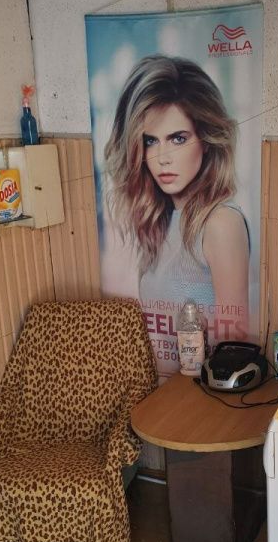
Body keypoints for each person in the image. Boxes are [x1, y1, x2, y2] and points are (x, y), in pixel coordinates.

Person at [104, 55, 250, 342]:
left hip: (201, 374)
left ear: (206, 140)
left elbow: (234, 343)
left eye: (178, 138)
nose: (163, 158)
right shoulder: (161, 220)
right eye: (150, 141)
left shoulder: (220, 223)